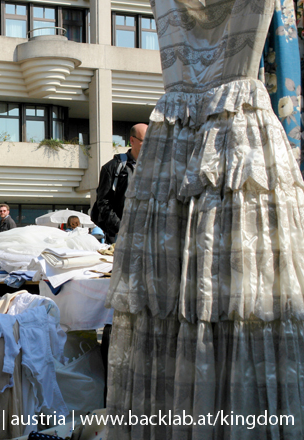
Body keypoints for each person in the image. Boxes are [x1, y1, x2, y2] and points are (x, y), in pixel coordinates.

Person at [106, 2, 304, 438]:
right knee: (238, 296)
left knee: (219, 299)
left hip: (177, 146)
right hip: (238, 137)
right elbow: (287, 68)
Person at [93, 123, 147, 243]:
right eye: (145, 140)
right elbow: (103, 202)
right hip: (120, 235)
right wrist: (121, 228)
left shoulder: (156, 168)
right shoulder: (112, 167)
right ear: (132, 141)